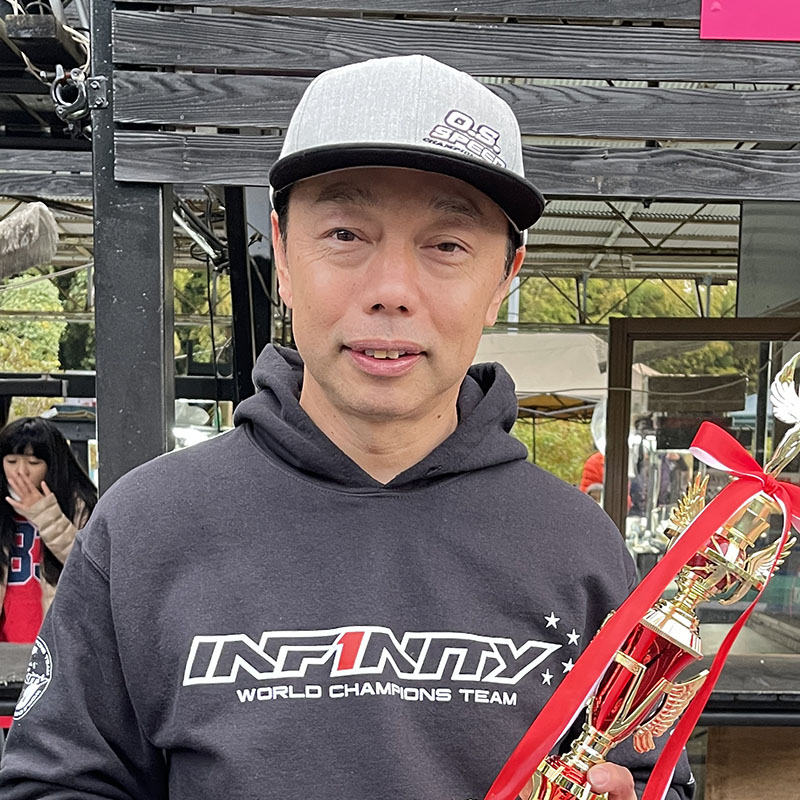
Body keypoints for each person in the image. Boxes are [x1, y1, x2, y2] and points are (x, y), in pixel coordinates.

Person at [0, 56, 693, 799]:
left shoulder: (578, 547)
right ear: (284, 253)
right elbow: (56, 782)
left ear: (504, 277)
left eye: (447, 245)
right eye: (344, 233)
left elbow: (654, 774)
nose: (391, 290)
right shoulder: (146, 528)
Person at [0, 417, 96, 643]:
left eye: (33, 463)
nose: (21, 472)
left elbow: (91, 565)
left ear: (53, 465)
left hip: (55, 640)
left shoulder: (79, 505)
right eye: (11, 461)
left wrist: (46, 516)